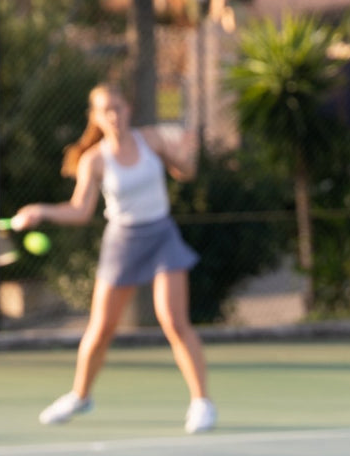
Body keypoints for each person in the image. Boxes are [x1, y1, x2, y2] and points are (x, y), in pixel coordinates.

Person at [12, 82, 216, 434]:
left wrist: (188, 152)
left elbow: (185, 172)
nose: (114, 115)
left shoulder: (150, 140)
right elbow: (79, 211)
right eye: (106, 110)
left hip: (161, 234)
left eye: (118, 107)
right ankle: (81, 395)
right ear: (96, 118)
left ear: (128, 110)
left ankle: (201, 402)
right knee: (101, 329)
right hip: (122, 240)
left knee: (173, 320)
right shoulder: (94, 161)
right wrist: (39, 211)